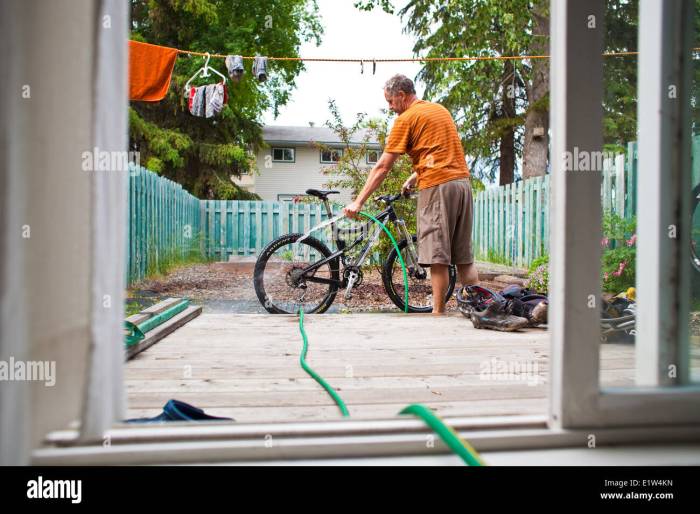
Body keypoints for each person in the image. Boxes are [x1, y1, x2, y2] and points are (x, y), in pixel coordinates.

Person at [343, 74, 479, 314]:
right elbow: (441, 151)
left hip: (437, 187)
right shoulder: (440, 111)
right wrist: (415, 175)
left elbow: (383, 167)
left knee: (438, 256)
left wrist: (358, 201)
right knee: (464, 257)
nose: (390, 108)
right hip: (462, 185)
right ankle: (482, 308)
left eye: (390, 102)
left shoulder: (405, 119)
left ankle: (438, 314)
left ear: (401, 96)